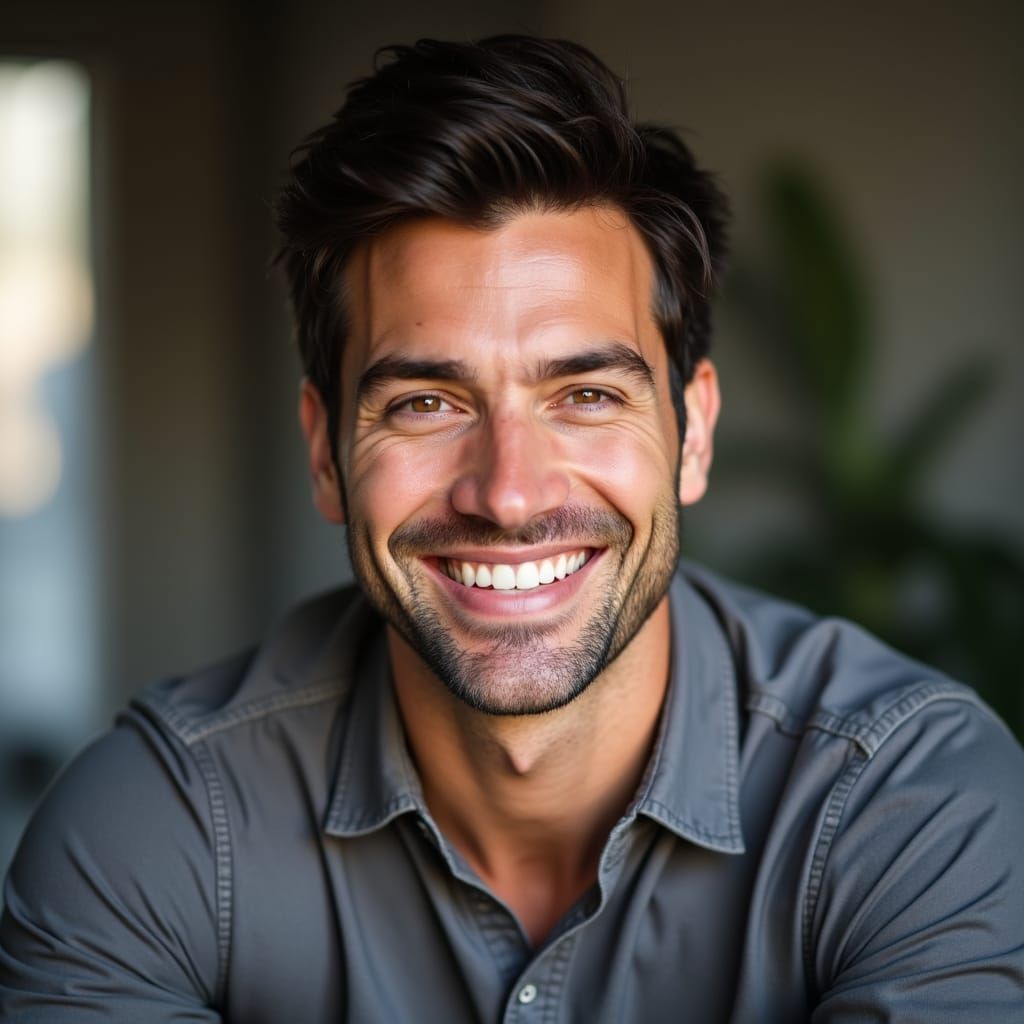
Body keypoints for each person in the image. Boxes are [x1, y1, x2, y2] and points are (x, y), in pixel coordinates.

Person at [2, 35, 1022, 1023]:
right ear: (324, 453)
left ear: (692, 431)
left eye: (583, 394)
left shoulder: (911, 801)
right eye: (424, 404)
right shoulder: (156, 824)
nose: (510, 493)